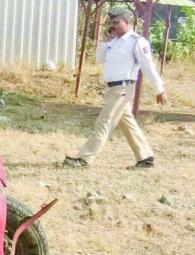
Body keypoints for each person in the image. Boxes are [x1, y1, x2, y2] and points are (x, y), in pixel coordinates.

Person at [65, 8, 167, 170]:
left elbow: (148, 66)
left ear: (127, 22)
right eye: (112, 22)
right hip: (111, 88)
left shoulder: (136, 42)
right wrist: (105, 41)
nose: (113, 26)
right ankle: (145, 157)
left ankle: (84, 158)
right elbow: (100, 59)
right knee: (127, 122)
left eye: (117, 22)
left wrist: (159, 88)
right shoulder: (113, 42)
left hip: (123, 87)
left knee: (104, 121)